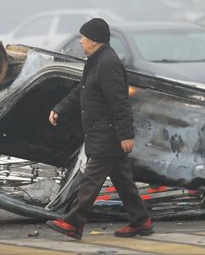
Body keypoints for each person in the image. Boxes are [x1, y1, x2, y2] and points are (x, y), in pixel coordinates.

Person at [46, 18, 153, 240]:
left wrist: (125, 135)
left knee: (90, 181)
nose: (81, 42)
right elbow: (81, 91)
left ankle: (73, 223)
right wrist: (60, 108)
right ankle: (141, 221)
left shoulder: (108, 64)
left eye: (83, 38)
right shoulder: (95, 61)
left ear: (94, 41)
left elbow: (119, 101)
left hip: (108, 133)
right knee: (123, 181)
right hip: (101, 131)